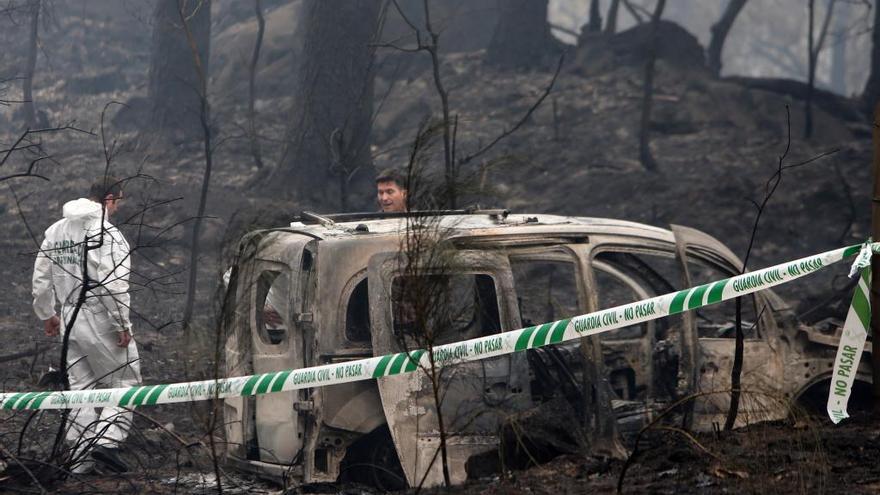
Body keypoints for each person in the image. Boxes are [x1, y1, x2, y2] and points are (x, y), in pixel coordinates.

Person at [32, 176, 141, 474]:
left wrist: (47, 314)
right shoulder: (108, 235)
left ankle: (79, 460)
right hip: (99, 317)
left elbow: (41, 278)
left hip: (68, 317)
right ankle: (106, 442)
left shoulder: (57, 230)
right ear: (110, 199)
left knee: (80, 388)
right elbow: (113, 283)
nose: (118, 207)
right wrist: (121, 323)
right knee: (124, 381)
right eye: (119, 201)